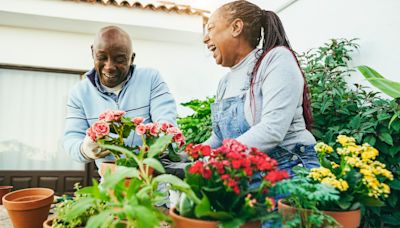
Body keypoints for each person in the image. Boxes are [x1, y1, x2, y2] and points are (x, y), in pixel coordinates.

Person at [203, 0, 320, 176]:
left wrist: (211, 161)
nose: (205, 38)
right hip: (247, 175)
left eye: (210, 28)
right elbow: (219, 138)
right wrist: (187, 156)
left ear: (236, 27)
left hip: (289, 171)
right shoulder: (225, 82)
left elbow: (271, 130)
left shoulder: (276, 60)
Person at [63, 26, 178, 170]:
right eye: (102, 57)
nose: (109, 66)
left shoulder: (151, 79)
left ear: (132, 58)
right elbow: (70, 140)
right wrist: (84, 149)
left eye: (119, 59)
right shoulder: (79, 93)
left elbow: (167, 122)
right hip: (111, 184)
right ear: (92, 52)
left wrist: (160, 142)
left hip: (152, 183)